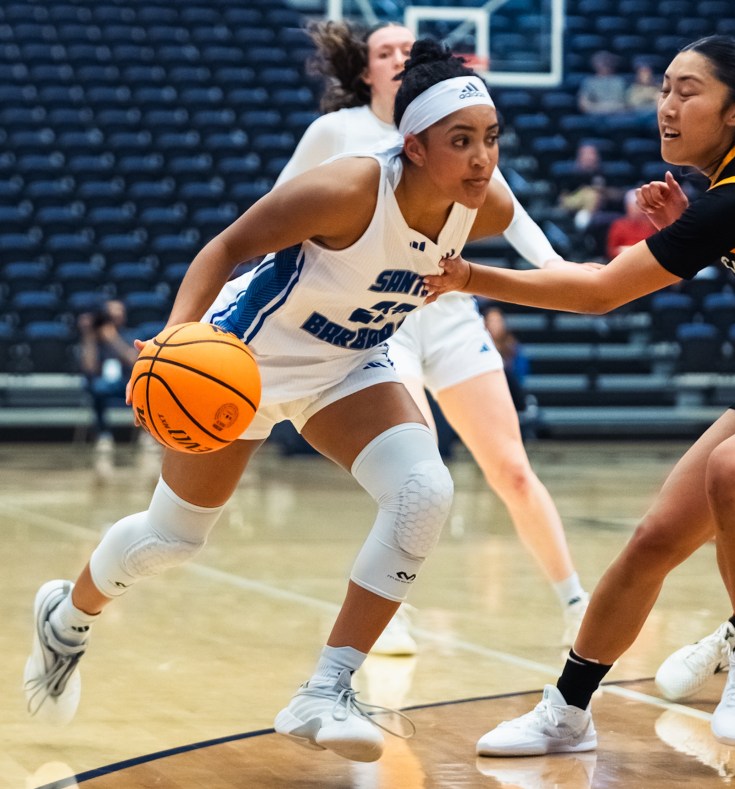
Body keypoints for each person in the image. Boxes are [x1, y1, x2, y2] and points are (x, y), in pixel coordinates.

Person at [23, 39, 515, 764]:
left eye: (492, 139)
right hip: (242, 363)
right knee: (172, 539)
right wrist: (170, 342)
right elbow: (225, 247)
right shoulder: (348, 189)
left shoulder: (488, 209)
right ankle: (67, 617)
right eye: (462, 141)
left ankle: (325, 689)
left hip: (348, 365)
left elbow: (555, 266)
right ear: (412, 147)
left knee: (423, 488)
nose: (482, 159)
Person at [424, 35, 735, 754]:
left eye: (689, 92)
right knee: (655, 537)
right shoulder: (732, 191)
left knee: (734, 471)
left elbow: (598, 292)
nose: (668, 106)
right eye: (666, 88)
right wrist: (702, 237)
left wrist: (470, 277)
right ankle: (567, 711)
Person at [277, 19, 591, 653]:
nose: (396, 55)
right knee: (416, 479)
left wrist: (558, 269)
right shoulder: (335, 134)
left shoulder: (454, 133)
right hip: (376, 325)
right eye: (382, 50)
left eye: (403, 47)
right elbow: (281, 216)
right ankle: (394, 618)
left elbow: (516, 217)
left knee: (511, 468)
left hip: (448, 312)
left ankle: (576, 604)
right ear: (366, 71)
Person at [76, 299, 138, 451]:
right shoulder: (93, 339)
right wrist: (89, 336)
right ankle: (104, 435)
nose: (115, 318)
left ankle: (146, 435)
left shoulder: (131, 335)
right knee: (95, 388)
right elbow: (89, 368)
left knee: (144, 388)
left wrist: (113, 339)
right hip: (103, 384)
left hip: (127, 382)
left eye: (119, 313)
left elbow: (134, 361)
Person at [605, 188, 656, 259]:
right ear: (627, 207)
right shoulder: (619, 225)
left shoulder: (652, 224)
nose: (636, 210)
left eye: (638, 206)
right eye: (633, 206)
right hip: (624, 260)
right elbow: (611, 251)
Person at [577, 50, 626, 115]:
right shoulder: (589, 82)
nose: (605, 64)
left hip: (618, 116)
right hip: (595, 116)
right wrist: (603, 108)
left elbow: (627, 104)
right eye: (602, 62)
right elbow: (583, 106)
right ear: (595, 64)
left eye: (607, 62)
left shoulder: (620, 81)